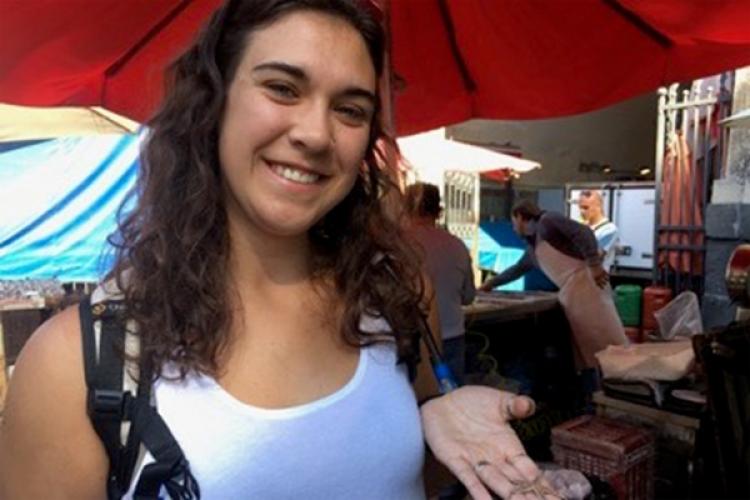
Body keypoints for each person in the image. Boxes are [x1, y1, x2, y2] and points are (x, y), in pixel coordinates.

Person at [0, 2, 558, 499]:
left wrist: (443, 421)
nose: (316, 134)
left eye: (351, 109)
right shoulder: (75, 364)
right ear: (212, 102)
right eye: (283, 88)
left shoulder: (397, 296)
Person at [479, 200, 627, 371]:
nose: (513, 228)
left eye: (513, 223)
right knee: (590, 350)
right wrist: (490, 284)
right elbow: (518, 269)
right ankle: (597, 388)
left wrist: (593, 264)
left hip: (588, 287)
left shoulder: (548, 221)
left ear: (520, 217)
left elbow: (584, 233)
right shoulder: (532, 248)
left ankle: (625, 382)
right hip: (572, 294)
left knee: (607, 342)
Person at [405, 182, 476, 384]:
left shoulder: (397, 244)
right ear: (439, 211)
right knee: (453, 403)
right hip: (453, 335)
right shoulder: (457, 245)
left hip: (412, 342)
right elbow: (468, 297)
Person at [578, 190, 619, 273]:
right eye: (580, 207)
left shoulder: (609, 229)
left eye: (586, 207)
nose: (582, 211)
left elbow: (595, 256)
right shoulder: (581, 226)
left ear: (598, 206)